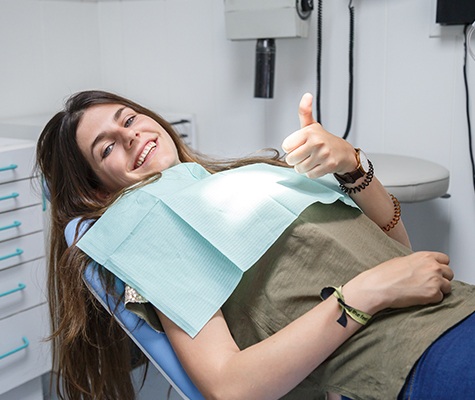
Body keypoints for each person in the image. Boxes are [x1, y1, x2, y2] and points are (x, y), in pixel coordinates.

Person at [36, 90, 475, 400]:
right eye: (107, 147)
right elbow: (229, 386)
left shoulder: (241, 177)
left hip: (450, 308)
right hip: (411, 355)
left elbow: (394, 254)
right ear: (97, 191)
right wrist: (365, 294)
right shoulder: (149, 227)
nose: (130, 135)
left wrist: (352, 166)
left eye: (128, 119)